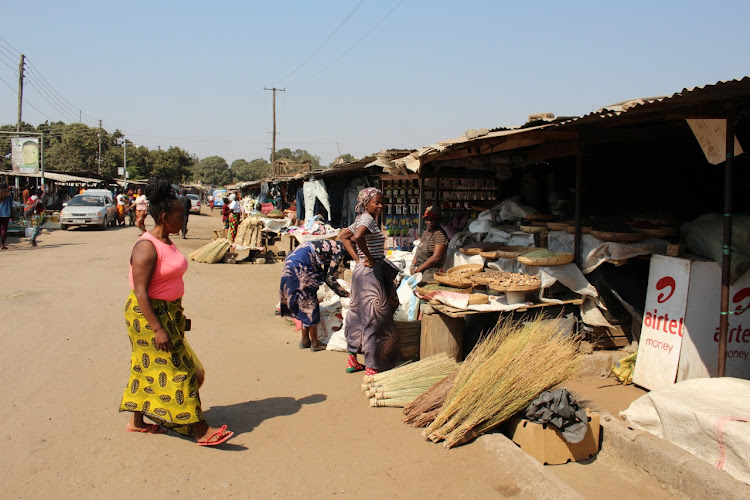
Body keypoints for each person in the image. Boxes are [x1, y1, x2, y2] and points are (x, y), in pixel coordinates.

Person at [120, 177, 233, 446]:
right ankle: (199, 429)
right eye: (179, 216)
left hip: (168, 312)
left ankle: (137, 422)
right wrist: (159, 328)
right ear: (163, 216)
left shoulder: (167, 241)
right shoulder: (146, 247)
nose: (183, 221)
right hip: (148, 316)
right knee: (181, 369)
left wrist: (178, 316)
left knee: (145, 366)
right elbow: (140, 292)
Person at [339, 187, 400, 375]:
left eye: (382, 202)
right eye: (377, 202)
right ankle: (373, 366)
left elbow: (344, 236)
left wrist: (358, 260)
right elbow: (356, 237)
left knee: (357, 315)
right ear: (367, 203)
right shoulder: (367, 219)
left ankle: (353, 361)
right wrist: (369, 257)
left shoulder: (360, 219)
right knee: (376, 318)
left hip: (360, 273)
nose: (381, 205)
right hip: (370, 276)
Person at [279, 239, 350, 351]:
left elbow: (327, 274)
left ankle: (305, 340)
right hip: (301, 265)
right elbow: (329, 278)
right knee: (310, 304)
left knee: (304, 302)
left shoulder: (333, 245)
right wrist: (346, 294)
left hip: (292, 262)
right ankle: (315, 343)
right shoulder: (340, 249)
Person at [409, 206, 449, 283]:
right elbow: (418, 253)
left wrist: (418, 269)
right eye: (427, 220)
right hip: (419, 268)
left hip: (431, 270)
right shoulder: (426, 233)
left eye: (432, 220)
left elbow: (436, 257)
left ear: (438, 220)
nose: (429, 222)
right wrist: (412, 266)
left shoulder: (439, 234)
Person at [0, 182, 13, 249]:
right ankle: (2, 244)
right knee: (3, 229)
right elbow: (11, 205)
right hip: (5, 214)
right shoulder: (8, 195)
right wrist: (12, 215)